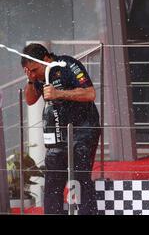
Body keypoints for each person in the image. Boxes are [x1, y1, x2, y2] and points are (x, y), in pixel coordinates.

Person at [21, 43, 100, 215]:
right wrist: (31, 80)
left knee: (80, 179)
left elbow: (90, 93)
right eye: (29, 72)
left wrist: (59, 94)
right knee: (53, 183)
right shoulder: (36, 77)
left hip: (84, 128)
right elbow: (30, 100)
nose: (34, 74)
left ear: (46, 59)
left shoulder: (66, 64)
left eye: (35, 70)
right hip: (58, 133)